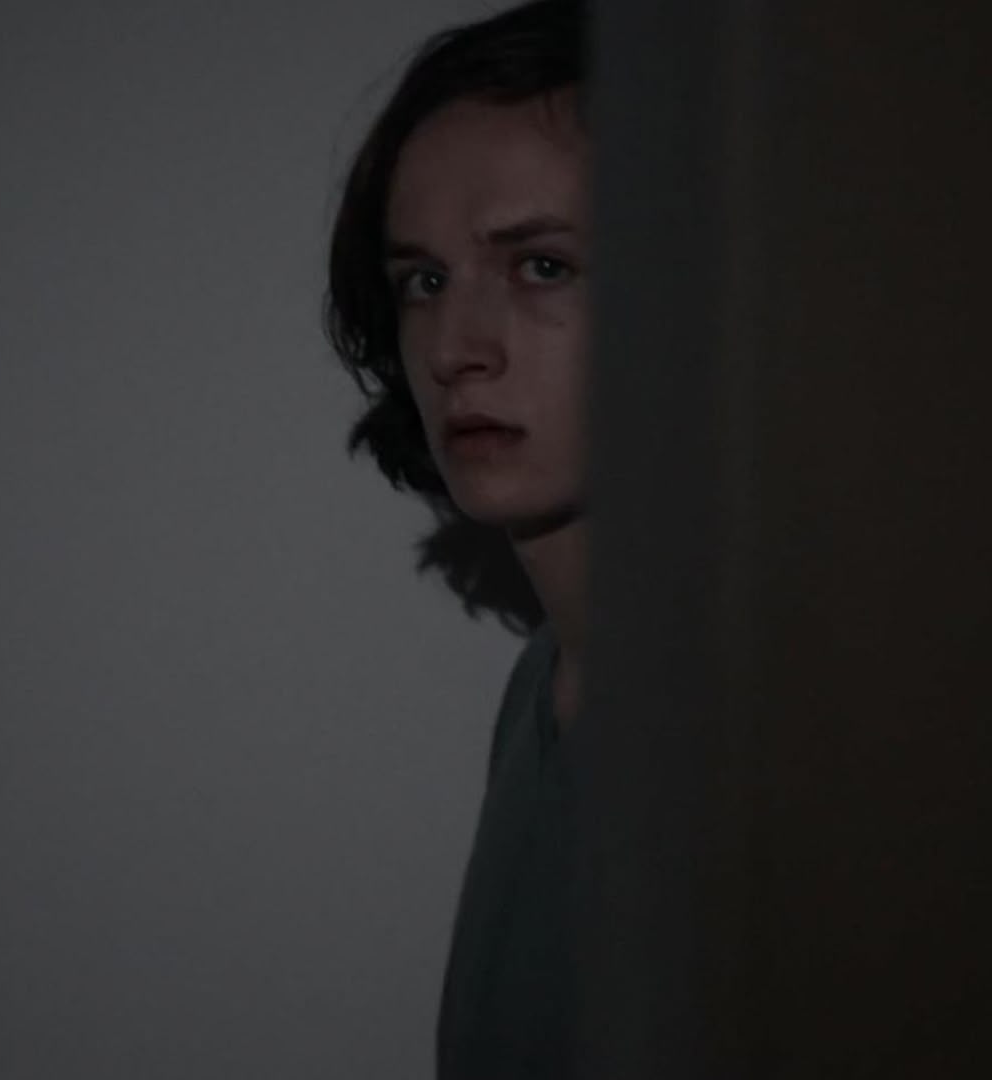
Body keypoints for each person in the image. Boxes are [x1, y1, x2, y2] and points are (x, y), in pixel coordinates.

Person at [323, 1, 587, 1074]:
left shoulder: (793, 730)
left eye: (541, 266)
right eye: (424, 283)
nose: (454, 348)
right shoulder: (542, 690)